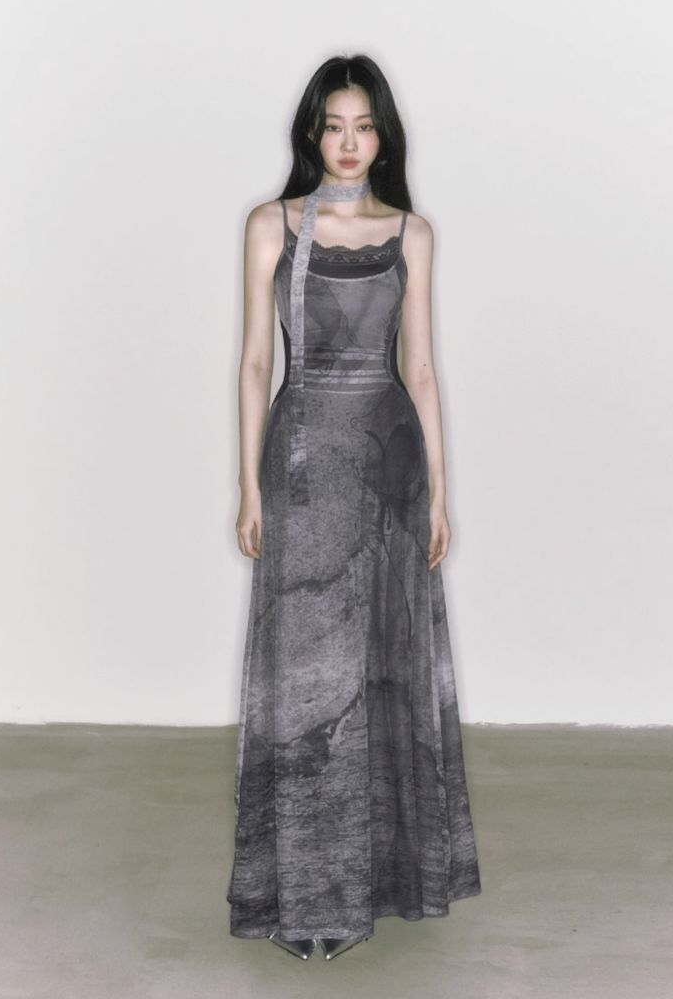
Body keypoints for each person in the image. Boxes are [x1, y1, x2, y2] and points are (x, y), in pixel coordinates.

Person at [227, 53, 482, 962]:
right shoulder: (272, 224)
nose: (348, 142)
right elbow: (257, 362)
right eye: (334, 126)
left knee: (379, 672)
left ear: (382, 137)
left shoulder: (412, 233)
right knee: (305, 683)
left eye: (363, 126)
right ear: (312, 132)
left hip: (388, 467)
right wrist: (248, 484)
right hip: (301, 462)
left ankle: (364, 889)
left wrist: (441, 491)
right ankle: (303, 895)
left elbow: (421, 369)